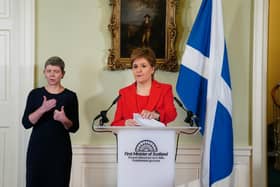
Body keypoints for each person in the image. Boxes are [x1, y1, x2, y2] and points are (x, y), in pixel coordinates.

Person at [22, 56, 79, 187]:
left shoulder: (70, 96)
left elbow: (74, 127)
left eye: (56, 71)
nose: (52, 74)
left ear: (63, 74)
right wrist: (42, 109)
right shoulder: (35, 94)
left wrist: (63, 119)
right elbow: (26, 123)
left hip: (60, 150)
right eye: (49, 71)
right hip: (37, 150)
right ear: (44, 73)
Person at [111, 47, 177, 126]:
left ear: (152, 69)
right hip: (131, 137)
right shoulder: (124, 93)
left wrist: (155, 115)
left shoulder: (165, 89)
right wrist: (125, 123)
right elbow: (115, 124)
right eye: (135, 66)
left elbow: (172, 114)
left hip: (156, 137)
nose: (139, 70)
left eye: (143, 66)